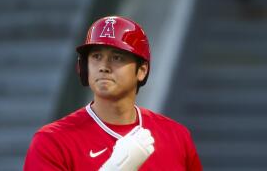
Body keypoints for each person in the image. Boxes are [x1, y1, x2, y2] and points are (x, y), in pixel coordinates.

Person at [23, 16, 202, 170]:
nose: (104, 67)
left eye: (117, 57)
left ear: (142, 70)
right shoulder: (52, 141)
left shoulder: (176, 137)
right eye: (96, 56)